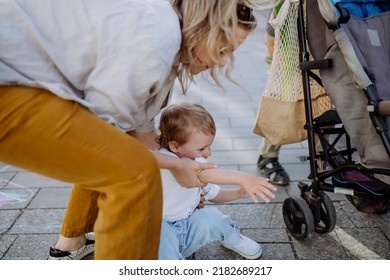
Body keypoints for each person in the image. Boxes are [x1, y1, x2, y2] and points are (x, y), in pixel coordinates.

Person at [0, 0, 269, 259]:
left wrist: (183, 179)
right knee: (135, 176)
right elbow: (106, 141)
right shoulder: (155, 44)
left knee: (128, 170)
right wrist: (177, 167)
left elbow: (141, 137)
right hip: (9, 80)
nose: (223, 62)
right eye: (223, 48)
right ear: (204, 27)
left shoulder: (165, 49)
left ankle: (73, 244)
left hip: (22, 83)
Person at [156, 103, 277, 260]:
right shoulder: (168, 160)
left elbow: (214, 194)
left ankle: (233, 238)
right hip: (161, 238)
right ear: (174, 146)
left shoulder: (191, 157)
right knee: (161, 236)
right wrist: (243, 178)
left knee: (213, 217)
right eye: (202, 149)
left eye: (209, 146)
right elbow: (206, 174)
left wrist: (239, 192)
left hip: (186, 229)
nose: (208, 153)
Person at [257, 6, 290, 186]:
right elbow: (271, 40)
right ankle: (267, 156)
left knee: (324, 102)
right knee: (281, 102)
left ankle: (323, 155)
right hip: (282, 53)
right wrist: (283, 72)